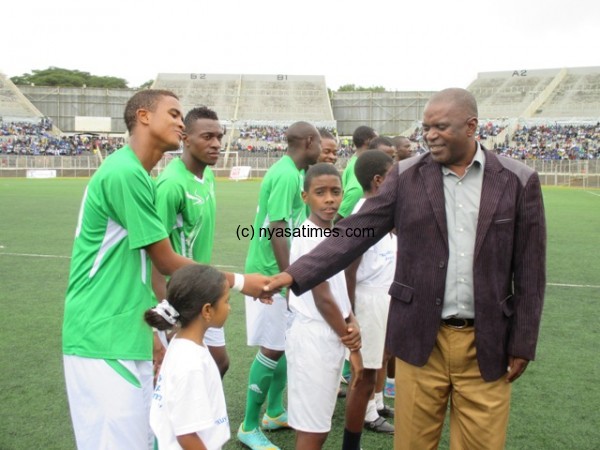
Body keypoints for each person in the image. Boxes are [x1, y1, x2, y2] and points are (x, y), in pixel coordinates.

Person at [264, 88, 547, 450]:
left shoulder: (518, 180)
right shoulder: (407, 176)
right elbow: (354, 232)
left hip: (486, 343)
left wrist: (523, 341)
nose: (429, 135)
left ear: (471, 126)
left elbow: (530, 271)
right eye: (426, 127)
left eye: (441, 126)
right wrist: (293, 274)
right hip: (420, 341)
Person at [62, 89, 272, 450]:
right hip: (102, 334)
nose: (180, 121)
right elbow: (164, 260)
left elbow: (145, 268)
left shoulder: (140, 175)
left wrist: (157, 336)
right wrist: (240, 282)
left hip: (126, 332)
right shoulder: (126, 172)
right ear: (143, 116)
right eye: (173, 113)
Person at [238, 121, 322, 450]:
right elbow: (276, 227)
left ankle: (273, 412)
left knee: (282, 344)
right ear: (308, 141)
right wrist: (288, 278)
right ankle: (248, 426)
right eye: (319, 143)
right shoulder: (287, 174)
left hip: (277, 272)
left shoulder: (289, 171)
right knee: (272, 348)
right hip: (269, 274)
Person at [286, 163, 362, 450]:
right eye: (320, 193)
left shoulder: (330, 234)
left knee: (315, 423)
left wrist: (351, 318)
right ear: (305, 197)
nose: (330, 199)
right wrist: (351, 341)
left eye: (335, 191)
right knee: (313, 430)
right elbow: (323, 297)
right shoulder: (309, 237)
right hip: (314, 337)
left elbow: (339, 289)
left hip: (329, 333)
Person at [152, 106, 230, 377]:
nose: (216, 144)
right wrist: (170, 312)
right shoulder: (171, 185)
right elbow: (153, 256)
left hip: (202, 289)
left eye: (219, 137)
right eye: (207, 137)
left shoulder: (206, 174)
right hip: (181, 296)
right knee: (179, 372)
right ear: (185, 138)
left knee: (218, 364)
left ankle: (203, 416)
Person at [147, 265, 231, 450]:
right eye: (226, 301)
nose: (229, 307)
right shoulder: (191, 362)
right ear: (207, 310)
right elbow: (186, 435)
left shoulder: (182, 343)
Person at [343, 150, 395, 443]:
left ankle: (376, 404)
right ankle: (366, 416)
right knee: (365, 368)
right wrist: (351, 312)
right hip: (368, 299)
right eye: (392, 175)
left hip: (382, 294)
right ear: (378, 181)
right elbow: (349, 269)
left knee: (380, 357)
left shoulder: (381, 211)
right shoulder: (363, 215)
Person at [335, 125, 377, 222]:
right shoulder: (360, 166)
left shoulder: (353, 161)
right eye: (376, 140)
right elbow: (356, 191)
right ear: (368, 141)